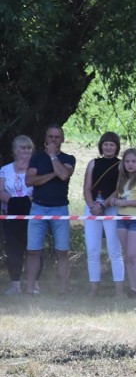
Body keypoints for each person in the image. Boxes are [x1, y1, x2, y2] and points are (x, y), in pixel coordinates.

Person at [25, 125, 75, 296]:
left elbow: (63, 175)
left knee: (62, 251)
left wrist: (53, 156)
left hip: (60, 208)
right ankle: (30, 289)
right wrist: (52, 174)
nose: (54, 140)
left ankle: (63, 290)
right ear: (45, 138)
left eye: (57, 137)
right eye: (51, 137)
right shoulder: (36, 158)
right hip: (38, 207)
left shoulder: (69, 158)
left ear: (63, 139)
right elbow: (30, 181)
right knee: (33, 251)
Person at [83, 132, 124, 297]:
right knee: (92, 251)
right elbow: (86, 188)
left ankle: (119, 292)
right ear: (101, 146)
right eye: (105, 144)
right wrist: (92, 205)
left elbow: (119, 189)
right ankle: (94, 292)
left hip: (112, 208)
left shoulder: (121, 165)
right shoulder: (93, 163)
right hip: (92, 208)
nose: (108, 147)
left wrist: (103, 205)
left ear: (116, 147)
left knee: (115, 250)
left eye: (112, 144)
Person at [108, 148, 136, 298]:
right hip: (122, 218)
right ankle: (133, 288)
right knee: (127, 255)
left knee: (133, 255)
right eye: (127, 161)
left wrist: (125, 202)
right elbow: (121, 198)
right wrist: (115, 202)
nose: (130, 164)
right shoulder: (123, 179)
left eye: (133, 161)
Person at [1, 135, 39, 295]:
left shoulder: (36, 168)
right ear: (15, 150)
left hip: (32, 214)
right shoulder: (5, 169)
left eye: (29, 148)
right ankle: (15, 285)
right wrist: (17, 203)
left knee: (34, 249)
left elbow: (38, 190)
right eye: (22, 147)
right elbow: (1, 191)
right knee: (13, 250)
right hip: (9, 214)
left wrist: (24, 202)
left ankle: (35, 285)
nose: (26, 151)